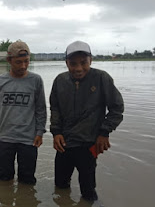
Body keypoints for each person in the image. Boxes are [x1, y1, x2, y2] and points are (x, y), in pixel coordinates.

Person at [50, 40, 124, 201]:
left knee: (88, 189)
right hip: (64, 143)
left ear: (91, 60)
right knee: (60, 187)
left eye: (83, 63)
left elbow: (117, 108)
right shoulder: (60, 81)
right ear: (66, 63)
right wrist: (56, 133)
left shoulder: (101, 78)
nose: (78, 68)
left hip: (90, 143)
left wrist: (104, 133)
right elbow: (54, 108)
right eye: (73, 63)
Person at [0, 40, 47, 184]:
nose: (23, 66)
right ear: (9, 60)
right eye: (18, 62)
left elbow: (41, 109)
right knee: (3, 179)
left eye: (26, 61)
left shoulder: (36, 80)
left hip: (28, 139)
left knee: (27, 181)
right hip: (5, 137)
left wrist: (40, 132)